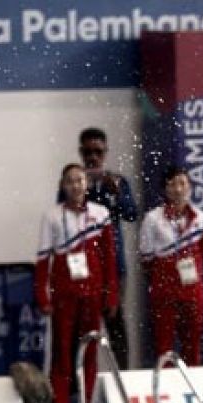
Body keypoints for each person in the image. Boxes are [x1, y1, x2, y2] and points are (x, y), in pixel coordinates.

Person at [36, 164, 119, 403]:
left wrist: (111, 296)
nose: (75, 185)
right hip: (64, 295)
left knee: (91, 353)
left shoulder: (101, 214)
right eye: (70, 181)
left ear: (87, 184)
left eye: (80, 180)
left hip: (92, 294)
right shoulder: (51, 216)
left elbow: (109, 259)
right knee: (62, 353)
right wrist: (43, 297)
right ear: (63, 185)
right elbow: (41, 261)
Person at [77, 127, 139, 368]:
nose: (93, 157)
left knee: (116, 324)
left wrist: (116, 195)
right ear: (81, 153)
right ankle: (83, 383)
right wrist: (82, 191)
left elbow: (132, 214)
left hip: (114, 266)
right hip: (82, 267)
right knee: (84, 325)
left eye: (98, 152)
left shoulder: (117, 181)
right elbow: (60, 210)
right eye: (88, 152)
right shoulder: (73, 181)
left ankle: (123, 379)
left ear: (105, 153)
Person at [139, 166, 203, 365]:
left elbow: (202, 252)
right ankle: (166, 393)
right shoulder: (152, 219)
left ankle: (190, 393)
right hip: (165, 291)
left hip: (192, 291)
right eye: (172, 184)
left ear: (190, 187)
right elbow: (146, 259)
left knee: (193, 347)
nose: (178, 189)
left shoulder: (202, 220)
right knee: (164, 349)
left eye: (182, 183)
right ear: (165, 189)